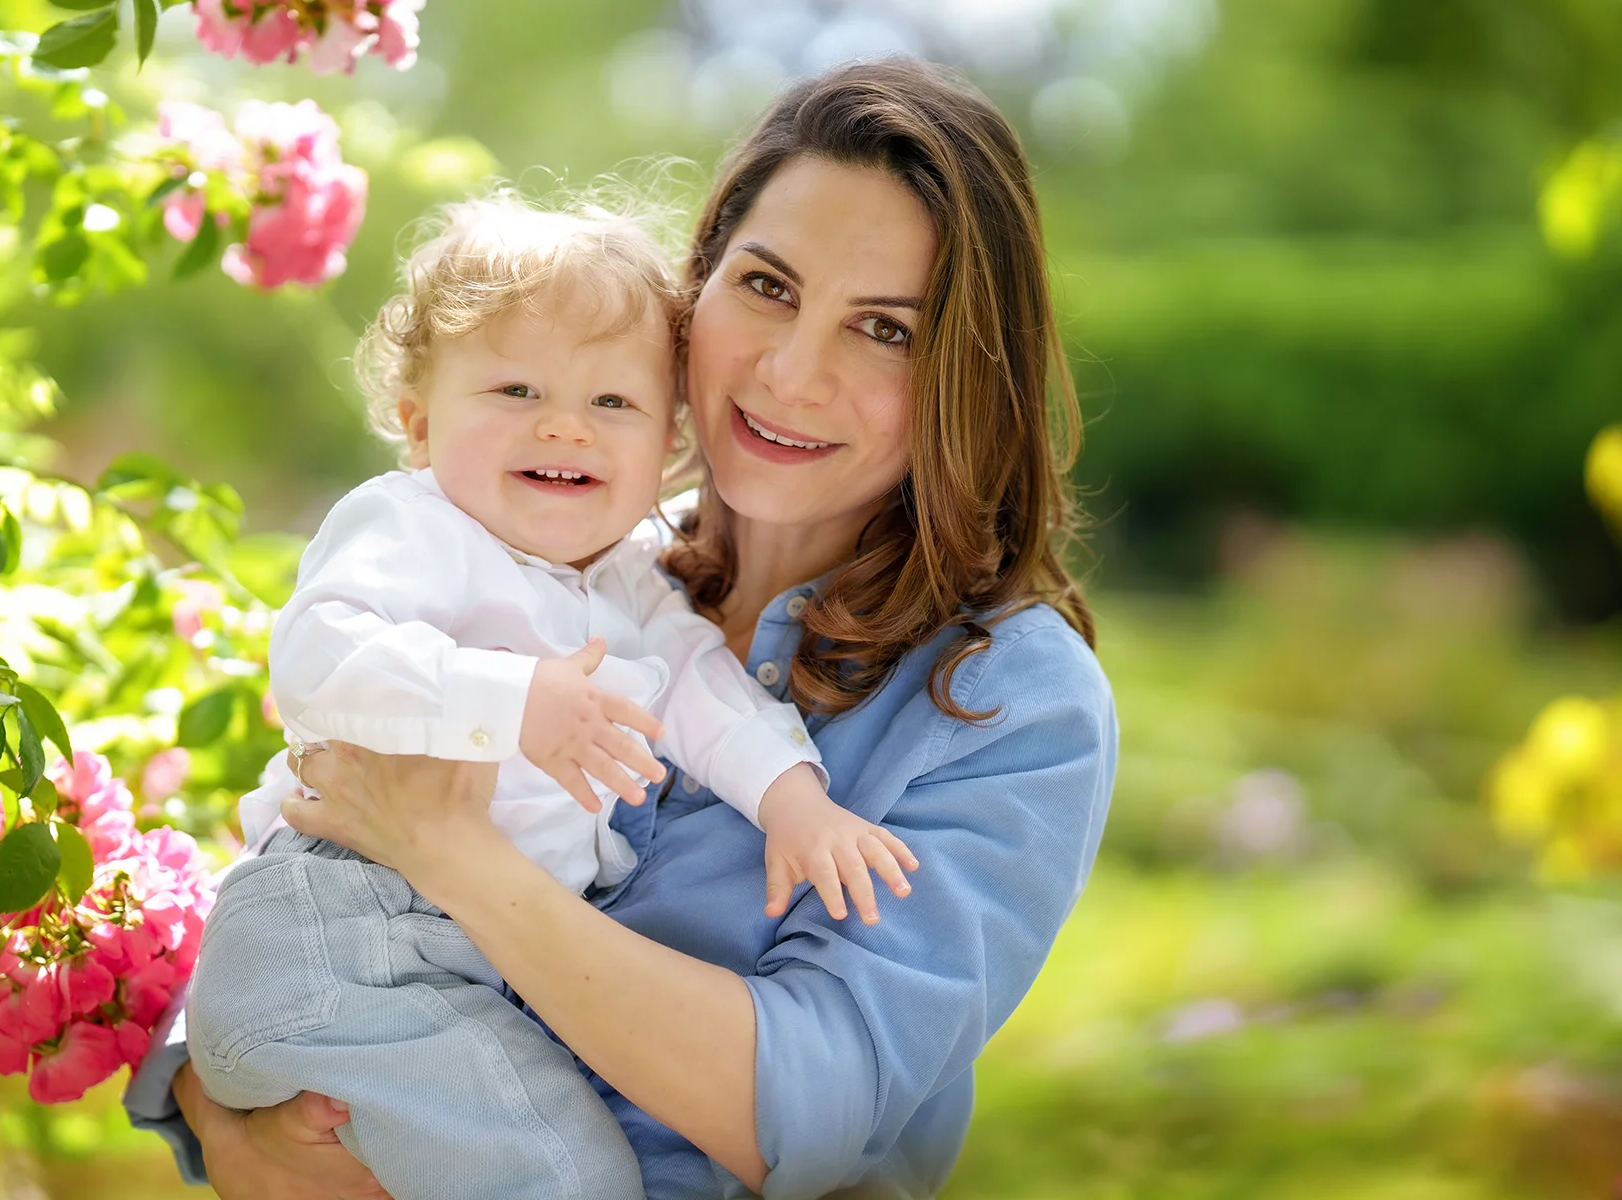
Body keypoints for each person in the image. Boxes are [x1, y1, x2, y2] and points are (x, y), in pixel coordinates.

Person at [126, 55, 1118, 1200]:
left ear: (961, 374)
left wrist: (454, 857)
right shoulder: (568, 552)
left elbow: (810, 1110)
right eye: (766, 287)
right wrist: (217, 1104)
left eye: (884, 331)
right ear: (691, 297)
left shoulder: (1008, 698)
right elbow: (308, 833)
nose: (792, 373)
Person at [183, 194, 916, 1200]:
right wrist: (508, 697)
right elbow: (319, 654)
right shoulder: (414, 526)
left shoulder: (625, 582)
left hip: (443, 959)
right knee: (561, 1176)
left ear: (664, 444)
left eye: (611, 404)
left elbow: (703, 692)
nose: (563, 424)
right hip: (347, 924)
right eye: (515, 388)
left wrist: (791, 797)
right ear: (416, 417)